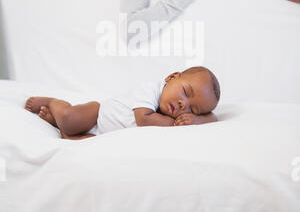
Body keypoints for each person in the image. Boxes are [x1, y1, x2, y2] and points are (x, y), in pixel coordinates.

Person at [24, 66, 220, 140]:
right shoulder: (151, 90)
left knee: (78, 146)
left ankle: (57, 125)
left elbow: (214, 117)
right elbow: (143, 119)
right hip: (98, 114)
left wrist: (196, 120)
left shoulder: (181, 115)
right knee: (70, 119)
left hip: (103, 135)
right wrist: (177, 124)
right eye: (185, 92)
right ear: (171, 77)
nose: (182, 104)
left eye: (193, 109)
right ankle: (55, 103)